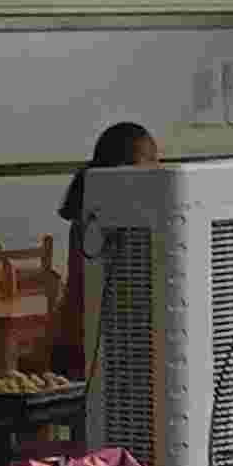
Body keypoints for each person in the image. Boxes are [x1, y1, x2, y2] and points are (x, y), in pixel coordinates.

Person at [49, 120, 159, 374]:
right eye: (150, 161)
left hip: (84, 333)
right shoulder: (102, 218)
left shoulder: (93, 210)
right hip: (88, 340)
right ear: (121, 169)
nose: (156, 170)